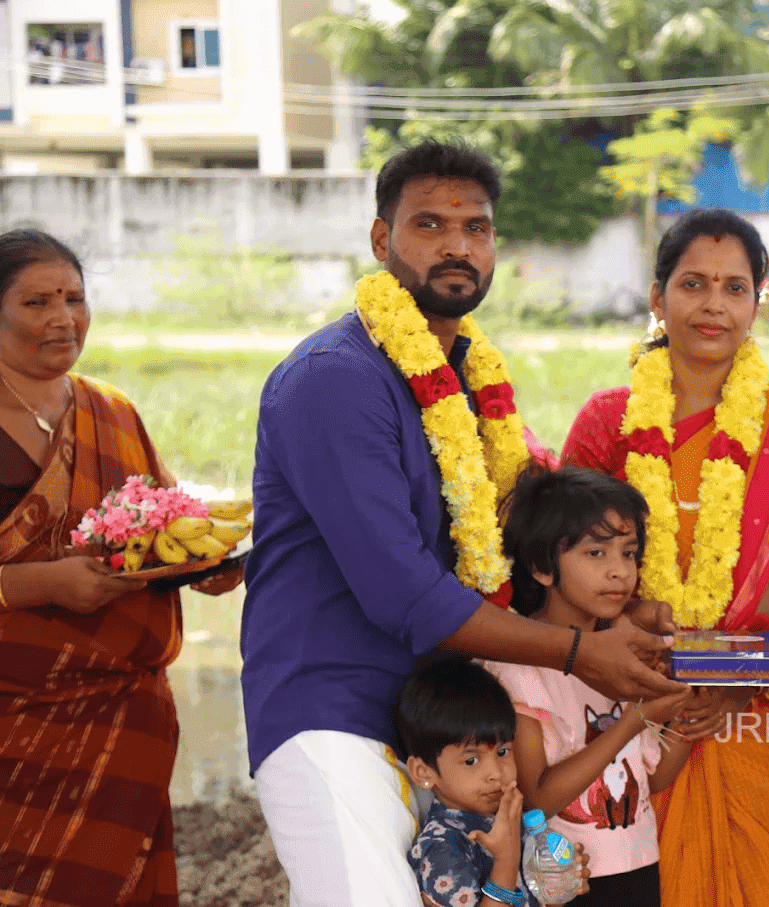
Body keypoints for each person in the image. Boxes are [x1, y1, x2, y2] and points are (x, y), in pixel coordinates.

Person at [241, 140, 684, 907]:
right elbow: (403, 594)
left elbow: (520, 542)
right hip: (333, 711)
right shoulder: (335, 380)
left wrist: (628, 613)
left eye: (475, 228)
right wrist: (581, 651)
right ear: (382, 241)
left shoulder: (472, 382)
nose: (456, 245)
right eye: (429, 224)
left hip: (443, 727)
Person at [562, 208, 769, 907]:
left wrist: (740, 680)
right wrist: (639, 642)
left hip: (757, 708)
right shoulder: (609, 420)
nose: (713, 305)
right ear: (657, 298)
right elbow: (562, 564)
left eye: (734, 287)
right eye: (693, 284)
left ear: (758, 301)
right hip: (631, 694)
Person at [0, 229, 242, 905]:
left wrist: (208, 564)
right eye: (36, 301)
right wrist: (44, 582)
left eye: (74, 297)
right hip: (15, 728)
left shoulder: (112, 410)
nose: (62, 317)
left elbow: (166, 522)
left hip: (121, 719)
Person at [486, 464, 694, 907]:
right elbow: (538, 797)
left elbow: (655, 780)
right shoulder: (519, 669)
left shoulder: (624, 654)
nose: (620, 572)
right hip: (567, 883)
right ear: (542, 567)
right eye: (596, 554)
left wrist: (686, 700)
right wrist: (633, 721)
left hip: (639, 866)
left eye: (629, 553)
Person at [398, 658, 589, 907]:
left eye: (502, 752)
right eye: (471, 760)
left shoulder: (511, 821)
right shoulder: (442, 848)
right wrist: (506, 862)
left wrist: (556, 887)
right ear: (424, 772)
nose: (496, 774)